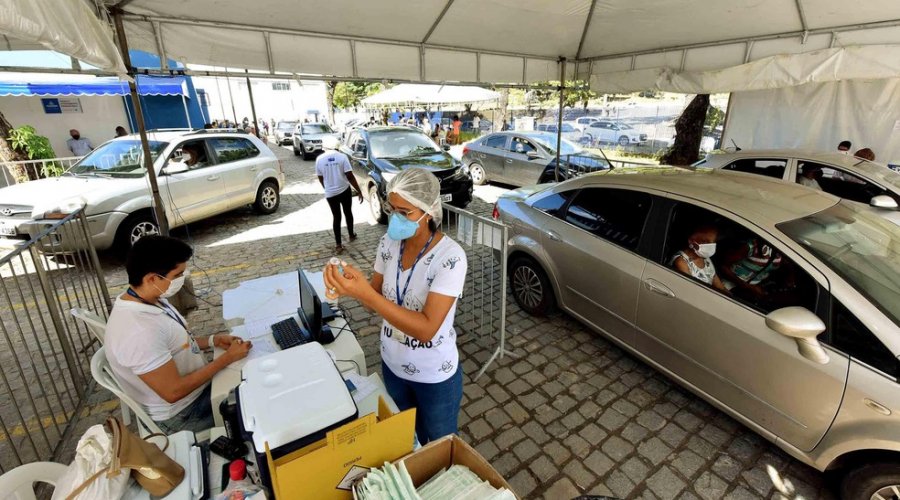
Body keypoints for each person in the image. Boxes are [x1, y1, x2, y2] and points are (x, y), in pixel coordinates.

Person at [324, 168, 467, 445]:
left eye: (405, 212)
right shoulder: (388, 244)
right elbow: (371, 302)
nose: (396, 219)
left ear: (428, 212)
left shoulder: (451, 258)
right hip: (393, 366)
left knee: (440, 443)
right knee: (405, 439)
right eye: (392, 209)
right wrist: (351, 286)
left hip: (434, 375)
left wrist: (368, 295)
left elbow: (426, 329)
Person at [105, 236, 252, 434]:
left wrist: (213, 340)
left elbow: (175, 343)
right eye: (177, 274)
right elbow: (173, 392)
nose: (182, 279)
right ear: (151, 278)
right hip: (184, 414)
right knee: (257, 402)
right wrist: (227, 358)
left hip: (195, 395)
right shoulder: (139, 331)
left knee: (252, 375)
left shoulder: (147, 298)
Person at [317, 136, 363, 254]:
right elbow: (350, 176)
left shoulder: (319, 159)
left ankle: (338, 244)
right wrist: (358, 190)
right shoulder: (342, 157)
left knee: (336, 217)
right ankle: (351, 235)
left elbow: (320, 177)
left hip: (330, 193)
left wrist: (327, 188)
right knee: (348, 212)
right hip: (344, 190)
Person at [671, 225, 728, 293]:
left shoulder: (706, 259)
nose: (710, 247)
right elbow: (692, 291)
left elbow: (720, 287)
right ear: (691, 241)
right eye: (706, 242)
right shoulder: (681, 262)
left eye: (713, 243)